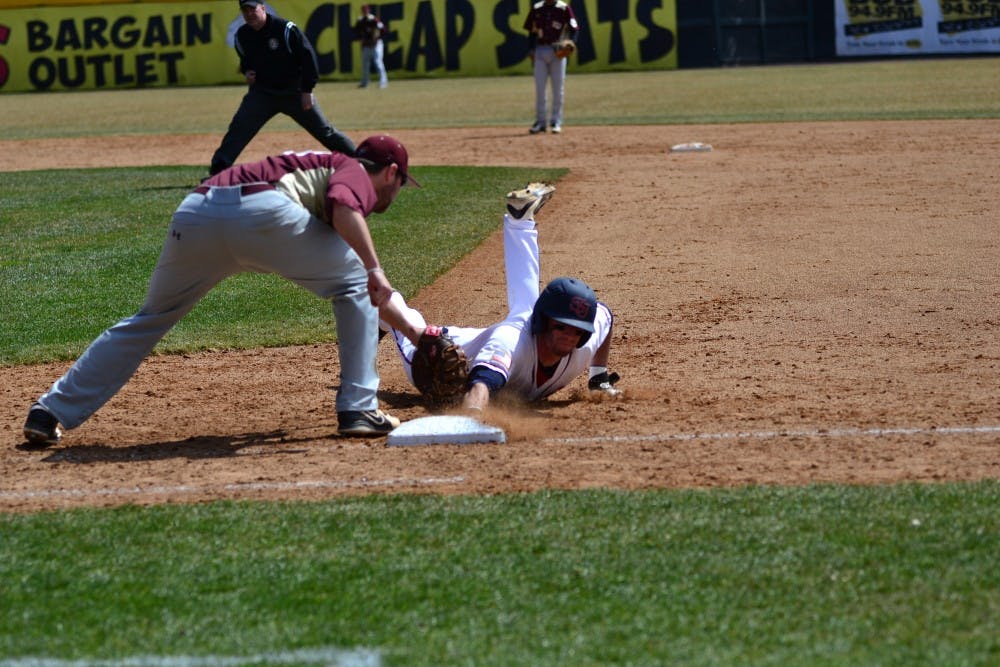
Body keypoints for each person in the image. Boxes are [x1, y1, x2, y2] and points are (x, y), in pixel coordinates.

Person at [22, 135, 436, 447]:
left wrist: (413, 331)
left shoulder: (310, 166)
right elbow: (346, 207)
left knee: (149, 319)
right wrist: (374, 268)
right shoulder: (352, 168)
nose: (397, 193)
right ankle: (359, 407)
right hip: (262, 213)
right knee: (355, 279)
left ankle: (50, 410)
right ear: (392, 173)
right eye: (401, 184)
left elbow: (365, 284)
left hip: (197, 212)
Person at [379, 183, 621, 412]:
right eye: (560, 327)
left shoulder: (583, 346)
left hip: (505, 335)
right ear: (544, 322)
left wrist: (598, 375)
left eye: (577, 330)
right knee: (404, 320)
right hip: (438, 355)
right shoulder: (511, 343)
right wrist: (472, 416)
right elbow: (481, 386)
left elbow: (605, 316)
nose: (570, 335)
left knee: (525, 309)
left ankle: (520, 220)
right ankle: (373, 298)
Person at [208, 0, 356, 176]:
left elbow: (308, 58)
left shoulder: (285, 29)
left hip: (294, 92)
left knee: (325, 131)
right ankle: (218, 171)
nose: (249, 13)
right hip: (262, 94)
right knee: (239, 128)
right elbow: (246, 61)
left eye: (252, 8)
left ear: (263, 8)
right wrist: (247, 72)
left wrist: (307, 90)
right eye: (244, 10)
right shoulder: (242, 35)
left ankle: (360, 161)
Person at [523, 0, 580, 135]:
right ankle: (540, 122)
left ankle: (556, 121)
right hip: (541, 50)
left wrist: (571, 42)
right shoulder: (537, 8)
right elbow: (531, 32)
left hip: (557, 51)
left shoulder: (563, 8)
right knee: (540, 88)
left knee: (558, 89)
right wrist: (531, 49)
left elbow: (574, 28)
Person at [353, 4, 388, 89]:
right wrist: (360, 39)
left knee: (378, 63)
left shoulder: (374, 20)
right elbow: (356, 31)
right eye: (363, 10)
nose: (365, 12)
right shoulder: (361, 21)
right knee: (365, 64)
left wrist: (377, 38)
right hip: (366, 45)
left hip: (376, 45)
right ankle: (365, 82)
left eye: (366, 10)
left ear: (368, 11)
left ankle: (383, 82)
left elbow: (383, 30)